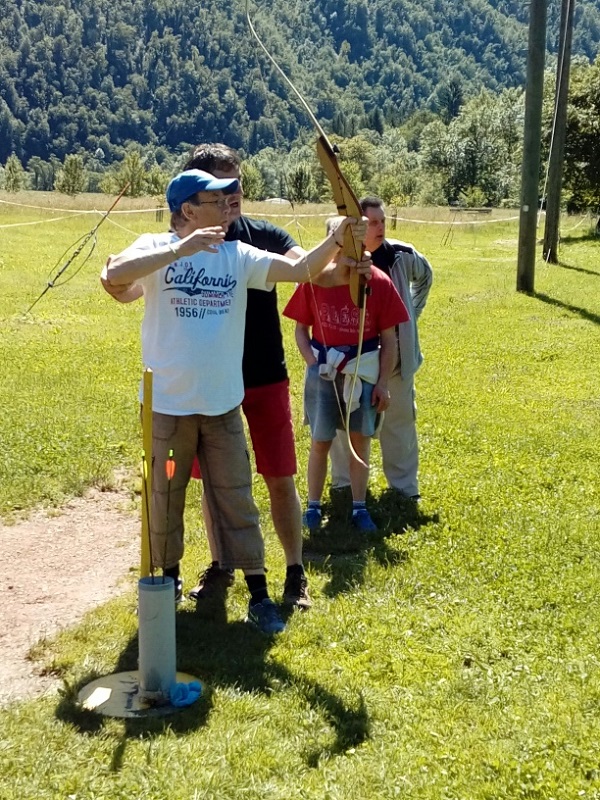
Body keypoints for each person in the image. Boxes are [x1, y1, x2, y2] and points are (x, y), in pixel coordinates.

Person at [102, 169, 368, 634]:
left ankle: (260, 596)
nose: (230, 206)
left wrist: (338, 237)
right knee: (165, 498)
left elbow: (301, 271)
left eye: (231, 198)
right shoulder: (153, 247)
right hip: (167, 409)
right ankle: (166, 587)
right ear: (188, 210)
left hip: (222, 408)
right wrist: (179, 250)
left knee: (237, 500)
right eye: (217, 199)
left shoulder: (237, 255)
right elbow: (113, 276)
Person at [283, 217, 409, 532]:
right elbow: (301, 329)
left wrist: (382, 382)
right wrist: (313, 362)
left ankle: (358, 507)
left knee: (359, 442)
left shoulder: (377, 282)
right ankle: (313, 506)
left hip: (362, 373)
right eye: (338, 242)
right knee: (320, 440)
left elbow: (389, 337)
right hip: (324, 373)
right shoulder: (314, 280)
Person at [329, 197, 433, 500]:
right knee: (343, 426)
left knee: (399, 424)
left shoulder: (401, 255)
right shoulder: (339, 258)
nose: (380, 227)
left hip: (397, 360)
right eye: (372, 222)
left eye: (383, 221)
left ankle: (404, 490)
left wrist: (412, 314)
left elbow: (426, 275)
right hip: (352, 361)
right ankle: (343, 484)